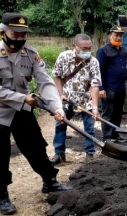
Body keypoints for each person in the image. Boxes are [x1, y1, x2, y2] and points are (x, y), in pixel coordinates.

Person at [0, 12, 71, 215]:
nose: (20, 38)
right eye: (15, 34)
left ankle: (50, 182)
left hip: (22, 110)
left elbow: (45, 82)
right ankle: (2, 195)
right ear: (3, 33)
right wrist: (22, 98)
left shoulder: (30, 54)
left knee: (36, 147)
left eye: (23, 35)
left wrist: (57, 108)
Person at [50, 34, 102, 165]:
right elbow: (56, 76)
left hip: (86, 99)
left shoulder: (93, 62)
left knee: (89, 127)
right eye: (84, 48)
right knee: (60, 125)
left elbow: (95, 84)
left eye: (89, 48)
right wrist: (60, 94)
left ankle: (90, 154)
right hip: (66, 98)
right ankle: (59, 154)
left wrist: (95, 107)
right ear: (75, 46)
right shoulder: (64, 57)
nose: (87, 51)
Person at [96, 26, 127, 142]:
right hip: (108, 88)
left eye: (120, 35)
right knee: (108, 113)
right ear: (110, 35)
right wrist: (101, 88)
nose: (118, 37)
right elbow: (99, 70)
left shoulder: (123, 51)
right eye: (116, 35)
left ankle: (115, 134)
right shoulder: (103, 51)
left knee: (118, 113)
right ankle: (107, 137)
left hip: (120, 88)